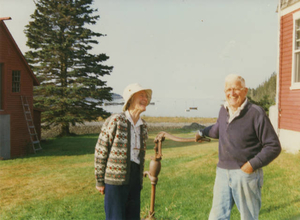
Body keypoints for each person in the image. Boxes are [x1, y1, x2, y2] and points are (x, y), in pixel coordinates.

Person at [196, 74, 281, 220]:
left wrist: (251, 165)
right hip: (222, 173)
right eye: (228, 89)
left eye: (236, 89)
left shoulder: (256, 113)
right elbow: (218, 129)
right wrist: (201, 132)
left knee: (248, 217)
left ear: (245, 91)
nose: (232, 93)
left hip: (245, 174)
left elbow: (273, 146)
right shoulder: (223, 110)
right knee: (217, 217)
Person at [94, 83, 152, 220]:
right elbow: (101, 150)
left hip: (135, 180)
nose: (145, 99)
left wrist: (139, 179)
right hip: (115, 181)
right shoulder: (116, 120)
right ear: (131, 99)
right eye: (141, 95)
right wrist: (100, 181)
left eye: (146, 96)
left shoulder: (143, 126)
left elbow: (139, 156)